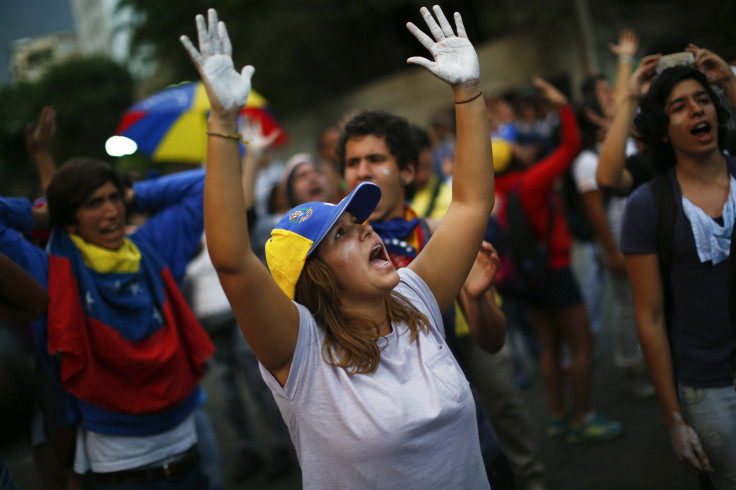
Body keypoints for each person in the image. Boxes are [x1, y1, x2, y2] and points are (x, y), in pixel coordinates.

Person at [181, 5, 495, 487]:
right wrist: (223, 119)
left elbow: (471, 204)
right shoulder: (301, 351)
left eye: (358, 221)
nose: (366, 230)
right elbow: (232, 261)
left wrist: (469, 93)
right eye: (341, 235)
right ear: (316, 274)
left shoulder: (414, 297)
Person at [0, 161, 214, 489]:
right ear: (69, 218)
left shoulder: (151, 246)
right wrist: (39, 216)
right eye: (94, 203)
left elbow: (204, 183)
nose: (112, 212)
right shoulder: (51, 273)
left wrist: (134, 195)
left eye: (114, 198)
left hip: (192, 456)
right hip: (123, 471)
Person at [620, 58, 736, 488]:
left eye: (704, 100)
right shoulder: (647, 206)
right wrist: (674, 420)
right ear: (662, 129)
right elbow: (648, 318)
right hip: (707, 385)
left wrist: (727, 80)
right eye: (680, 106)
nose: (697, 111)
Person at [494, 77, 623, 444]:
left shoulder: (497, 192)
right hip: (556, 272)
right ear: (512, 156)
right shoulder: (532, 181)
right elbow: (570, 146)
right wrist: (563, 105)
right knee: (583, 345)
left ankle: (557, 417)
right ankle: (582, 418)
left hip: (528, 278)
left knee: (549, 346)